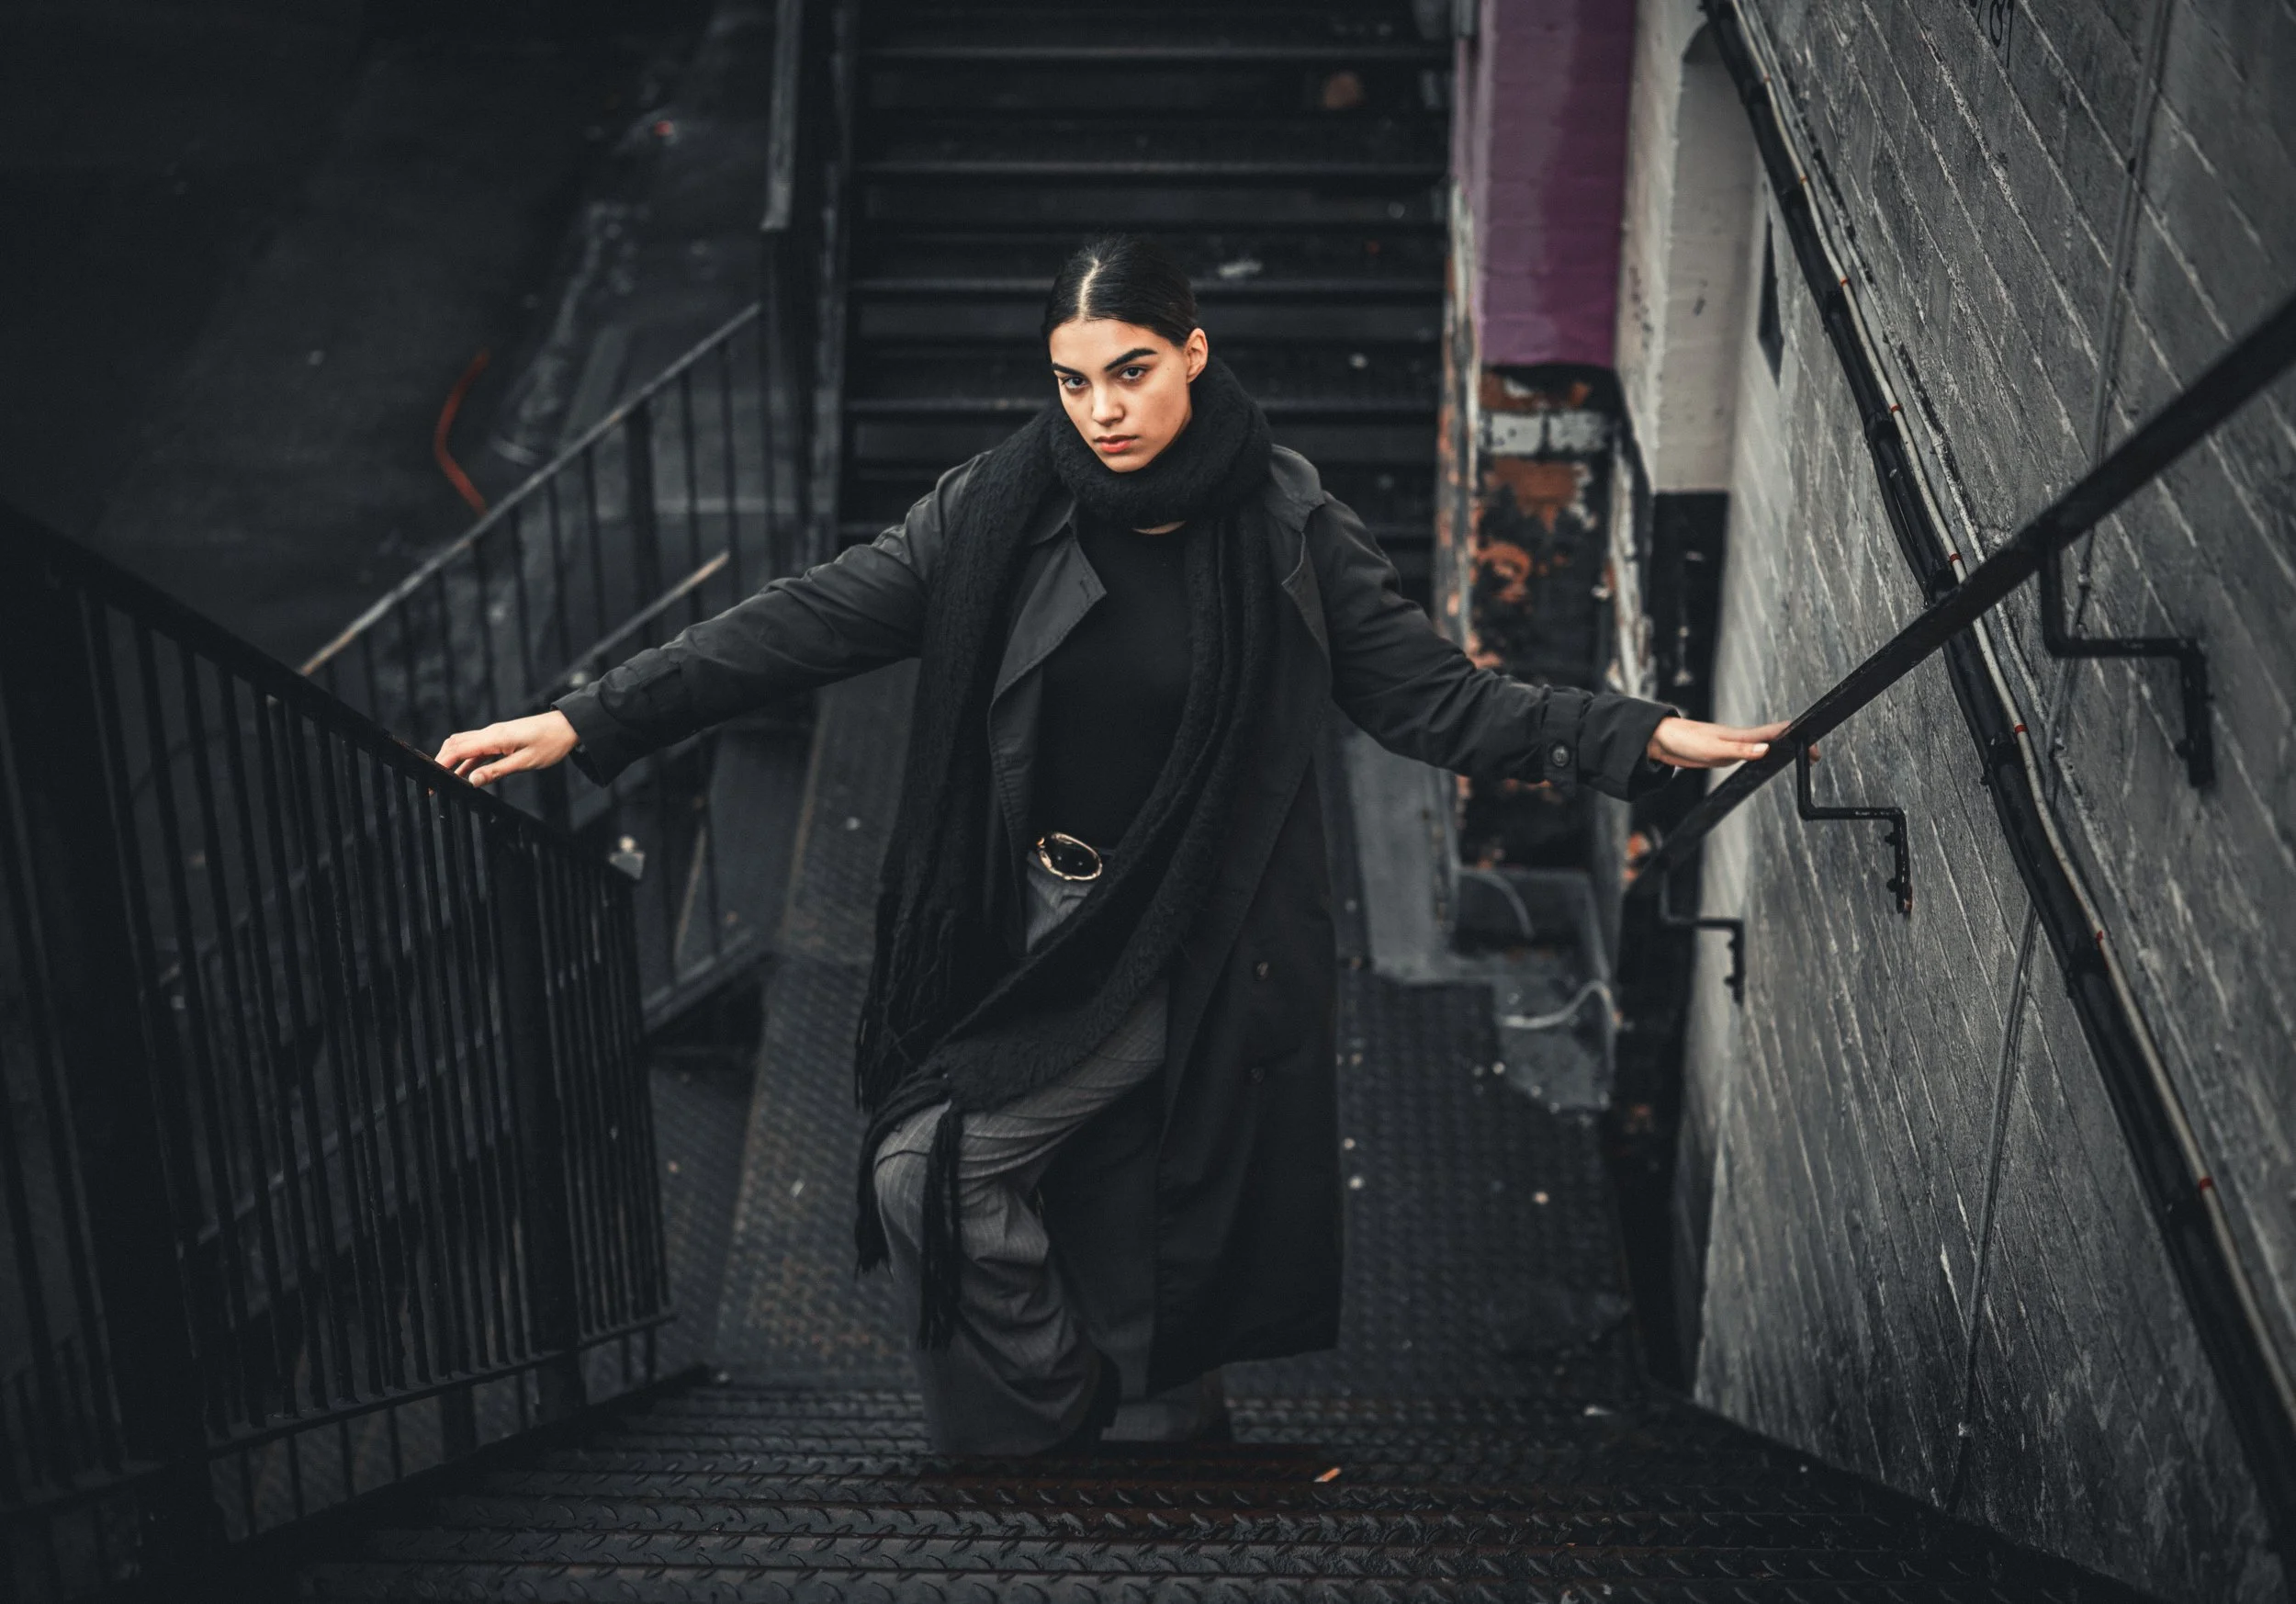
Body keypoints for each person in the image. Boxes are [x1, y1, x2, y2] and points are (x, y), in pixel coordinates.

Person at [435, 235, 1793, 1456]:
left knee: (937, 1164)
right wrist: (587, 720)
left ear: (1195, 353)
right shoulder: (999, 508)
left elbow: (1432, 696)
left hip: (1185, 938)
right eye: (1076, 381)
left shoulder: (1289, 530)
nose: (1104, 411)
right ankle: (1148, 1418)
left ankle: (1062, 1410)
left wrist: (1635, 735)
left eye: (1132, 371)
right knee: (1089, 1176)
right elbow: (807, 617)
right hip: (1025, 911)